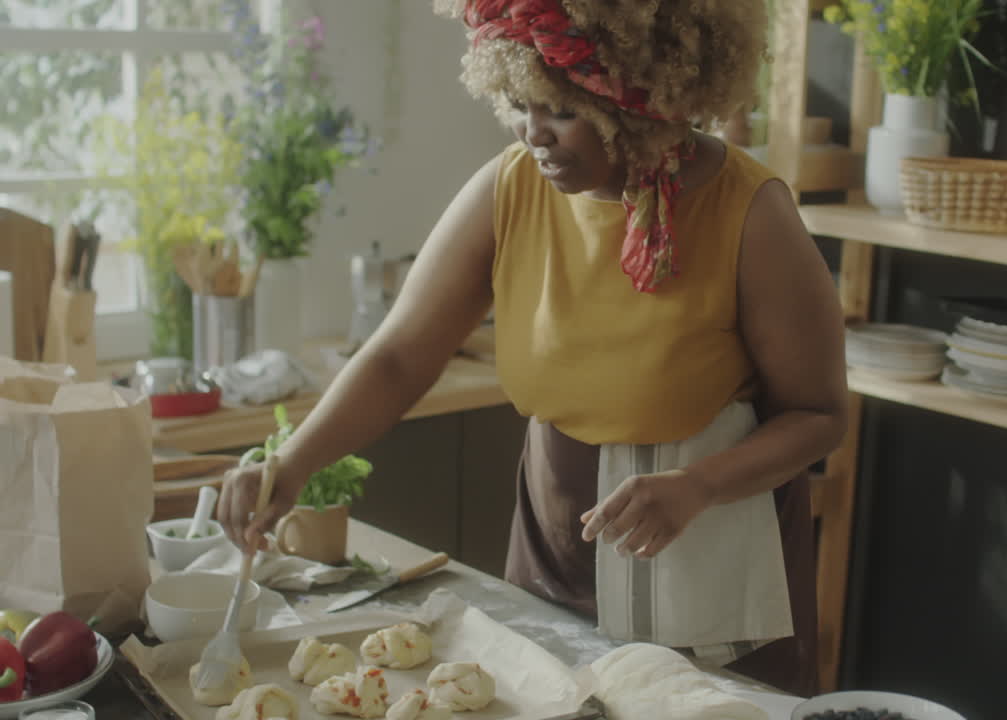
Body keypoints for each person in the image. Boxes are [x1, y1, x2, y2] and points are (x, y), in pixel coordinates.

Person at [217, 0, 847, 696]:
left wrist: (698, 486)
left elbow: (819, 416)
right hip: (555, 553)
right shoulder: (509, 188)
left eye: (562, 111)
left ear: (640, 101)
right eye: (519, 104)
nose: (533, 134)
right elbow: (399, 357)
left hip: (714, 559)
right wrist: (292, 462)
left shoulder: (751, 214)